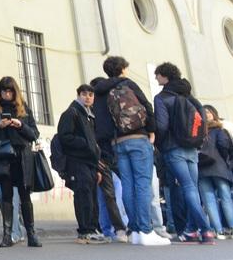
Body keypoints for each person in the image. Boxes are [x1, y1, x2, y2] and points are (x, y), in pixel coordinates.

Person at [92, 56, 167, 246]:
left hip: (117, 143)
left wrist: (107, 146)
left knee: (127, 184)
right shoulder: (128, 84)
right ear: (123, 68)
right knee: (142, 183)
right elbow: (146, 107)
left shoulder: (100, 91)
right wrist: (151, 130)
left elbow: (100, 122)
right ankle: (145, 230)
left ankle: (134, 230)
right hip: (138, 138)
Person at [153, 62, 214, 244]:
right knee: (192, 188)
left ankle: (206, 229)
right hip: (192, 148)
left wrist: (159, 143)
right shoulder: (189, 95)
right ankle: (191, 230)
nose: (156, 78)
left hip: (174, 148)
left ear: (165, 76)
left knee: (186, 187)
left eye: (158, 75)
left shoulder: (161, 97)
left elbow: (162, 125)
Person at [0, 77, 40, 248]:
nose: (7, 94)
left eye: (9, 91)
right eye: (3, 91)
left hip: (22, 157)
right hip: (4, 158)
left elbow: (34, 134)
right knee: (7, 196)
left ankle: (31, 234)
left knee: (25, 196)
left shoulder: (24, 109)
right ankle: (7, 235)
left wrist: (20, 125)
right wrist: (0, 126)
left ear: (15, 92)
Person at [57, 84, 107, 244]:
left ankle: (92, 229)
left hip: (90, 163)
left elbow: (95, 144)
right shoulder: (72, 113)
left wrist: (96, 165)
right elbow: (64, 137)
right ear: (78, 95)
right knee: (83, 194)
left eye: (91, 95)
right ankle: (85, 231)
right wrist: (85, 144)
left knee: (92, 196)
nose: (88, 97)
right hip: (76, 161)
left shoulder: (89, 116)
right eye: (84, 94)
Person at [86, 76, 128, 242]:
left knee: (106, 194)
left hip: (101, 156)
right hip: (109, 153)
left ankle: (110, 229)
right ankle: (120, 227)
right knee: (114, 192)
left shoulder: (91, 110)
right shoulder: (106, 104)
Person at [198, 105, 233, 239]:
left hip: (202, 168)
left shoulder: (198, 132)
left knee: (209, 200)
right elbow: (224, 145)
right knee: (226, 198)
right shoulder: (219, 130)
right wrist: (226, 161)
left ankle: (218, 230)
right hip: (219, 167)